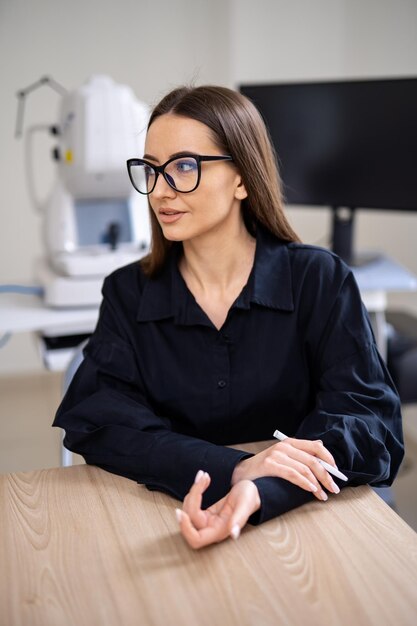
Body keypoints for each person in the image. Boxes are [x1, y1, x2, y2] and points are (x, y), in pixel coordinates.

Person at [53, 85, 404, 549]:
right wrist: (235, 469)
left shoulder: (319, 279)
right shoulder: (128, 291)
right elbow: (100, 424)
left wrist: (260, 490)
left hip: (303, 523)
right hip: (168, 516)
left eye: (183, 166)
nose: (159, 190)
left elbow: (368, 425)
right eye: (150, 169)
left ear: (242, 178)